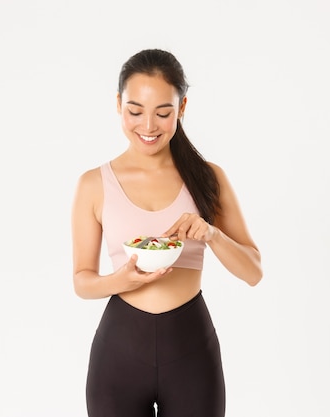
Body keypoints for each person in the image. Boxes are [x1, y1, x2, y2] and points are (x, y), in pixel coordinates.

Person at [71, 48, 263, 417]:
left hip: (191, 352)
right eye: (135, 111)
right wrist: (122, 280)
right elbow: (82, 281)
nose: (148, 126)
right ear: (118, 104)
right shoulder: (93, 184)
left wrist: (212, 235)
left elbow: (253, 272)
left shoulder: (208, 178)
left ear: (182, 107)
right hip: (118, 354)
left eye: (163, 113)